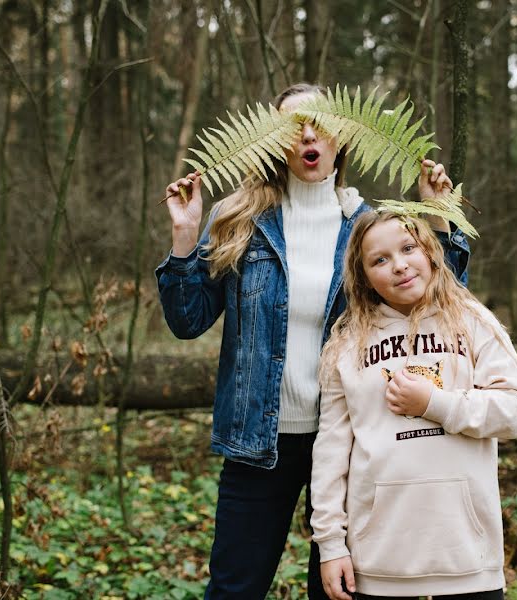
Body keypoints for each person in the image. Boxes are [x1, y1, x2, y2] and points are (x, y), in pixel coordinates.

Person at [156, 82, 470, 599]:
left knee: (339, 592)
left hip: (349, 439)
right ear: (270, 140)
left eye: (321, 124)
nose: (308, 135)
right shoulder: (238, 221)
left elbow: (436, 308)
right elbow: (187, 321)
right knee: (235, 588)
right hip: (258, 445)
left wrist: (439, 218)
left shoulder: (366, 227)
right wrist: (186, 238)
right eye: (291, 125)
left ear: (342, 137)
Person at [311, 211, 517, 600]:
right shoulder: (346, 346)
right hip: (378, 562)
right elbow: (331, 451)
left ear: (431, 252)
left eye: (408, 248)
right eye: (379, 260)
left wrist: (436, 403)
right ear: (363, 276)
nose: (399, 266)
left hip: (467, 558)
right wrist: (331, 545)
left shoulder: (472, 320)